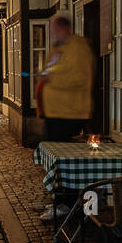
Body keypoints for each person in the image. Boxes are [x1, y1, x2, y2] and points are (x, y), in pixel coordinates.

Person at [34, 14, 94, 222]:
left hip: (68, 113)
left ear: (66, 29)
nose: (53, 34)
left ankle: (67, 204)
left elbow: (79, 79)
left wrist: (50, 79)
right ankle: (59, 199)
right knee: (57, 162)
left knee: (65, 162)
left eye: (56, 30)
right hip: (55, 113)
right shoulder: (59, 49)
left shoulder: (78, 48)